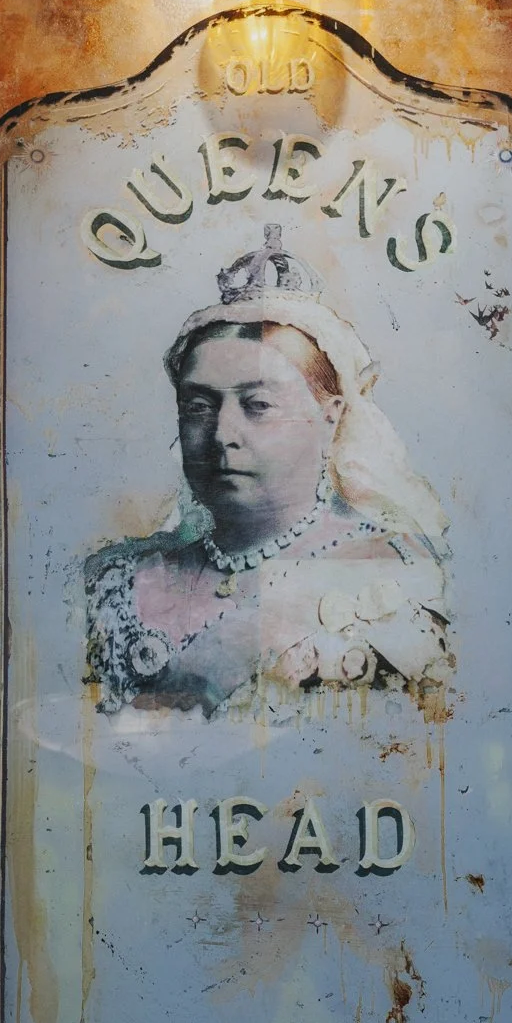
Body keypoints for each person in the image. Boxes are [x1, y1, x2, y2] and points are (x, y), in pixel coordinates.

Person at [85, 226, 452, 717]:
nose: (222, 434)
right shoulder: (119, 578)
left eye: (258, 404)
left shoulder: (390, 570)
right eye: (198, 406)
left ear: (331, 416)